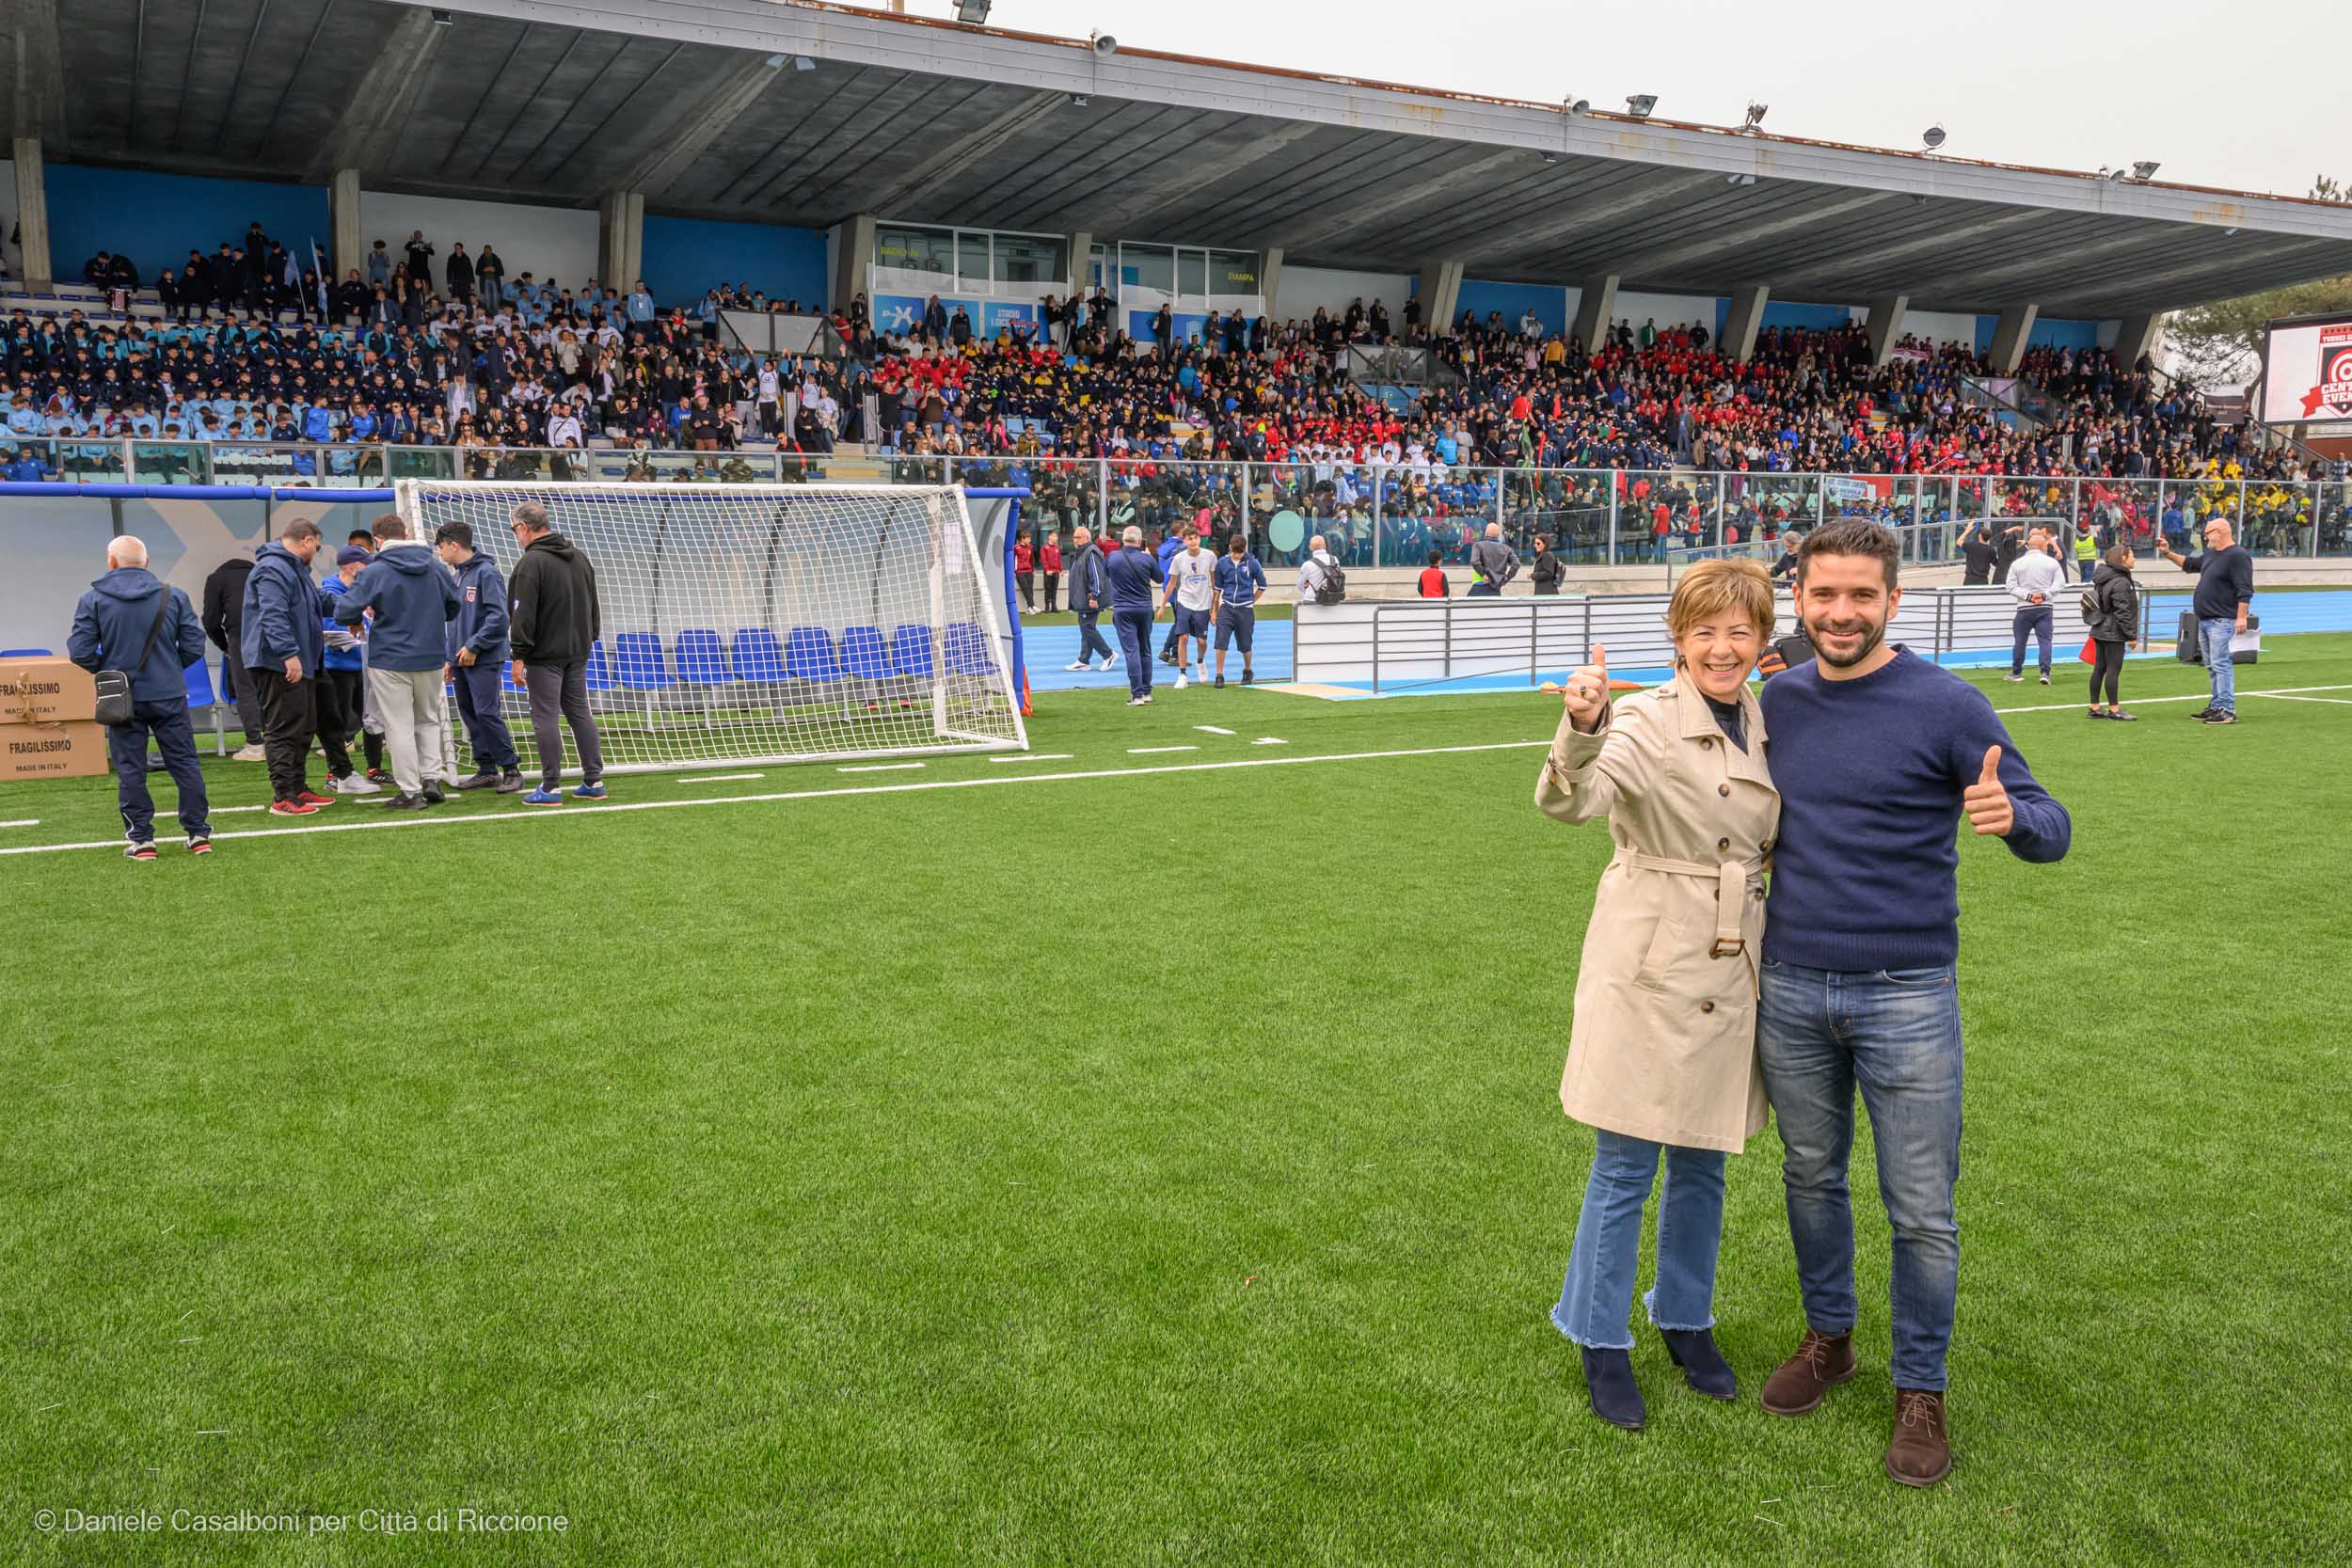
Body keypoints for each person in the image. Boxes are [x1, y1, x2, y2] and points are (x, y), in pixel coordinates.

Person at [1755, 517, 2069, 1488]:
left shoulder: (1946, 703)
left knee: (1921, 1208)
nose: (1839, 612)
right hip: (1790, 985)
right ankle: (1829, 1337)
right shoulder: (1776, 698)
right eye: (1822, 594)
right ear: (1797, 598)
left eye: (1860, 595)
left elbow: (2051, 826)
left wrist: (2013, 818)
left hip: (1907, 993)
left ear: (1894, 600)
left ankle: (1919, 1387)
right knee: (1810, 1175)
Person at [1534, 560, 1781, 1432]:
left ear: (1760, 637)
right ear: (1677, 640)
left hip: (1730, 957)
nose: (1723, 647)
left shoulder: (1761, 712)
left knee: (1705, 1158)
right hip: (1649, 958)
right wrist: (1583, 724)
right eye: (1704, 631)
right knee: (1628, 1162)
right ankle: (1600, 1337)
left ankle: (1684, 1318)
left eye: (1740, 630)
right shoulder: (1640, 716)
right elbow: (1577, 799)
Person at [68, 536, 213, 859]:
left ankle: (143, 841)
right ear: (145, 562)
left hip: (120, 695)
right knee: (185, 763)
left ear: (111, 561)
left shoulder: (92, 599)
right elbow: (193, 646)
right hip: (170, 693)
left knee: (131, 768)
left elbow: (79, 652)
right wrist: (170, 668)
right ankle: (198, 833)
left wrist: (108, 670)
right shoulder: (173, 596)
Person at [330, 515, 459, 810]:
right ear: (406, 534)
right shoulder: (436, 567)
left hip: (390, 656)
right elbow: (453, 606)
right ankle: (430, 779)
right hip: (430, 654)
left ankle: (411, 791)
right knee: (428, 719)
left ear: (378, 540)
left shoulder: (375, 570)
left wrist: (356, 620)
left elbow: (345, 610)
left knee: (399, 725)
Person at [506, 499, 607, 802]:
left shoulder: (530, 564)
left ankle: (550, 786)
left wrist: (518, 655)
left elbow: (522, 614)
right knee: (580, 713)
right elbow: (594, 604)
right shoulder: (579, 557)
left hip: (545, 656)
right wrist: (589, 638)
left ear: (524, 527)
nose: (516, 535)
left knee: (545, 717)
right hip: (578, 651)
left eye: (515, 529)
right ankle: (593, 780)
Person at [239, 519, 339, 816]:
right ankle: (283, 796)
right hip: (277, 663)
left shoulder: (294, 570)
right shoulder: (273, 568)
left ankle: (297, 787)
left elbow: (319, 603)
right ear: (306, 540)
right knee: (283, 728)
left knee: (303, 726)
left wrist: (360, 602)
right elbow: (273, 615)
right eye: (317, 547)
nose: (317, 553)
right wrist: (288, 654)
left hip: (300, 661)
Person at [436, 521, 524, 791]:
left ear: (454, 545)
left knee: (486, 713)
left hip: (483, 657)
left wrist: (475, 646)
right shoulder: (455, 577)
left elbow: (500, 618)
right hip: (460, 659)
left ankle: (511, 769)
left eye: (440, 546)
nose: (439, 552)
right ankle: (487, 769)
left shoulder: (487, 573)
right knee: (470, 713)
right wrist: (450, 658)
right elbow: (453, 623)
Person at [2157, 518, 2252, 725]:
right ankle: (2217, 704)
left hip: (2222, 620)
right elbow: (2190, 565)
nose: (2205, 537)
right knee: (2211, 665)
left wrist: (2241, 616)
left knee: (2220, 664)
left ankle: (2227, 708)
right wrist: (2167, 552)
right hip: (2206, 620)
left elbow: (2244, 589)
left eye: (2208, 533)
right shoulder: (2212, 554)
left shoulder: (2237, 556)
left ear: (2220, 532)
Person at [315, 547, 382, 796]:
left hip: (367, 665)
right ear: (351, 568)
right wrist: (361, 617)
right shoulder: (329, 591)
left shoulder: (368, 589)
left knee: (371, 717)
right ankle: (336, 774)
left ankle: (374, 768)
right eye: (366, 565)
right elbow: (332, 624)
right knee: (340, 722)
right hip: (339, 668)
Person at [200, 551, 265, 760]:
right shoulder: (263, 573)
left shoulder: (217, 579)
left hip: (240, 635)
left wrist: (225, 646)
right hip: (274, 633)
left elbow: (210, 620)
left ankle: (256, 745)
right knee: (273, 687)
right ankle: (278, 740)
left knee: (246, 690)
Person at [1103, 524, 1165, 705]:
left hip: (1123, 609)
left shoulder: (1113, 557)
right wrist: (1149, 558)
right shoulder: (1146, 559)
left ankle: (1136, 694)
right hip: (1144, 608)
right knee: (1145, 649)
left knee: (1131, 651)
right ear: (1139, 540)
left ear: (1123, 539)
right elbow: (1160, 578)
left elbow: (1108, 573)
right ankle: (1146, 692)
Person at [2002, 527, 2064, 685]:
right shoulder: (2052, 563)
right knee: (2045, 641)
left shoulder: (2018, 563)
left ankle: (2016, 672)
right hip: (2045, 607)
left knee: (2020, 641)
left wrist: (2028, 596)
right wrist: (2044, 595)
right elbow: (2059, 584)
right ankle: (2045, 672)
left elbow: (2010, 586)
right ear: (2043, 546)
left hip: (2024, 608)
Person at [2085, 545, 2140, 721]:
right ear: (2122, 559)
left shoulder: (2104, 577)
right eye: (2132, 556)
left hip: (2099, 627)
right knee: (2113, 670)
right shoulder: (2121, 581)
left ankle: (2094, 707)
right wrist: (2131, 635)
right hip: (2113, 631)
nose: (2134, 559)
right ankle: (2114, 710)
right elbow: (2123, 611)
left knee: (2099, 668)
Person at [1210, 531, 1266, 689]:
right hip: (1226, 607)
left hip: (1245, 610)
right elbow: (1217, 589)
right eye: (1234, 552)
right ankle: (1219, 674)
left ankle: (1247, 670)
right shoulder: (1222, 563)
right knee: (1220, 642)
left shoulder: (1252, 563)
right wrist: (1214, 611)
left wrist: (1251, 600)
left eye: (1239, 553)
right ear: (1229, 548)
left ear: (1244, 550)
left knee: (1245, 645)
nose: (1236, 556)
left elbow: (1262, 585)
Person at [1163, 528, 1216, 689]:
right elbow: (1172, 583)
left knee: (1202, 641)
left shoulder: (1210, 556)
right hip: (1185, 602)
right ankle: (1182, 674)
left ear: (1199, 539)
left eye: (1195, 538)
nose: (1193, 541)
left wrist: (1215, 608)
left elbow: (1214, 583)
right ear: (1184, 541)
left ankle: (1200, 661)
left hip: (1203, 603)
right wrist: (1163, 604)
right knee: (1183, 638)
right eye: (1189, 539)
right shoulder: (1179, 558)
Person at [1065, 526, 1114, 673]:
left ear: (1086, 538)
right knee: (1086, 627)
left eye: (1078, 537)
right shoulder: (1081, 553)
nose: (1075, 540)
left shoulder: (1091, 552)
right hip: (1083, 598)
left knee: (1087, 627)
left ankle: (1108, 654)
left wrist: (1094, 595)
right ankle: (1083, 660)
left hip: (1090, 599)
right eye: (1074, 537)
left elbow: (1097, 576)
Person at [1468, 521, 1519, 596]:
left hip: (1479, 586)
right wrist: (1506, 579)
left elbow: (1474, 562)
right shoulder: (1507, 549)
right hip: (1495, 588)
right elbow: (1516, 563)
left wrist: (1483, 575)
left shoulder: (1478, 545)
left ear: (1486, 533)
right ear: (1498, 535)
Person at [1295, 534, 1342, 604]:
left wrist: (1307, 592)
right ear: (1325, 546)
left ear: (1310, 547)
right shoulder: (1335, 560)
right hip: (1332, 599)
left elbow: (1299, 585)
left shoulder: (1307, 564)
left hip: (1312, 600)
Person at [1954, 521, 1997, 587]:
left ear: (1980, 536)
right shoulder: (1991, 550)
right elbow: (1996, 563)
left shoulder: (1972, 546)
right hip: (1983, 580)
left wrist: (1967, 531)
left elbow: (1958, 542)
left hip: (1970, 579)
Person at [1040, 532, 1063, 614]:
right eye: (1054, 536)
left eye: (1056, 536)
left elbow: (1059, 559)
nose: (1055, 538)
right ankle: (1047, 607)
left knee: (1054, 589)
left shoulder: (1057, 548)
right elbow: (1044, 560)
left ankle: (1054, 606)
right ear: (1049, 537)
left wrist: (1061, 570)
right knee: (1048, 589)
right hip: (1048, 572)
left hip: (1056, 571)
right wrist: (1047, 570)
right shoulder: (1044, 547)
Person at [1014, 534, 1037, 614]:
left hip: (1029, 571)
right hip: (1020, 572)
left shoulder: (1030, 547)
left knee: (1030, 589)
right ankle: (1032, 605)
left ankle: (1029, 608)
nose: (1029, 540)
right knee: (1026, 589)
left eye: (1030, 539)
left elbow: (1032, 559)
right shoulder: (1016, 548)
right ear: (1022, 539)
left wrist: (1032, 570)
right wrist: (1013, 571)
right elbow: (1012, 560)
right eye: (1028, 539)